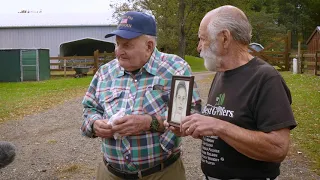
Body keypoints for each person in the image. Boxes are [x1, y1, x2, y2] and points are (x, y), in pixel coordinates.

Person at [167, 5, 297, 180]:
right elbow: (227, 131)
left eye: (202, 39)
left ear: (225, 38)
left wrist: (218, 126)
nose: (198, 47)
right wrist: (196, 128)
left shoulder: (265, 78)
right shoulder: (221, 73)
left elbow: (278, 149)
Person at [81, 11, 201, 180]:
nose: (119, 52)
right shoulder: (105, 72)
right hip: (110, 173)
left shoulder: (176, 68)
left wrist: (149, 122)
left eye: (127, 45)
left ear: (149, 46)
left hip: (161, 173)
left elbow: (191, 116)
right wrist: (94, 124)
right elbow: (89, 109)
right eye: (117, 44)